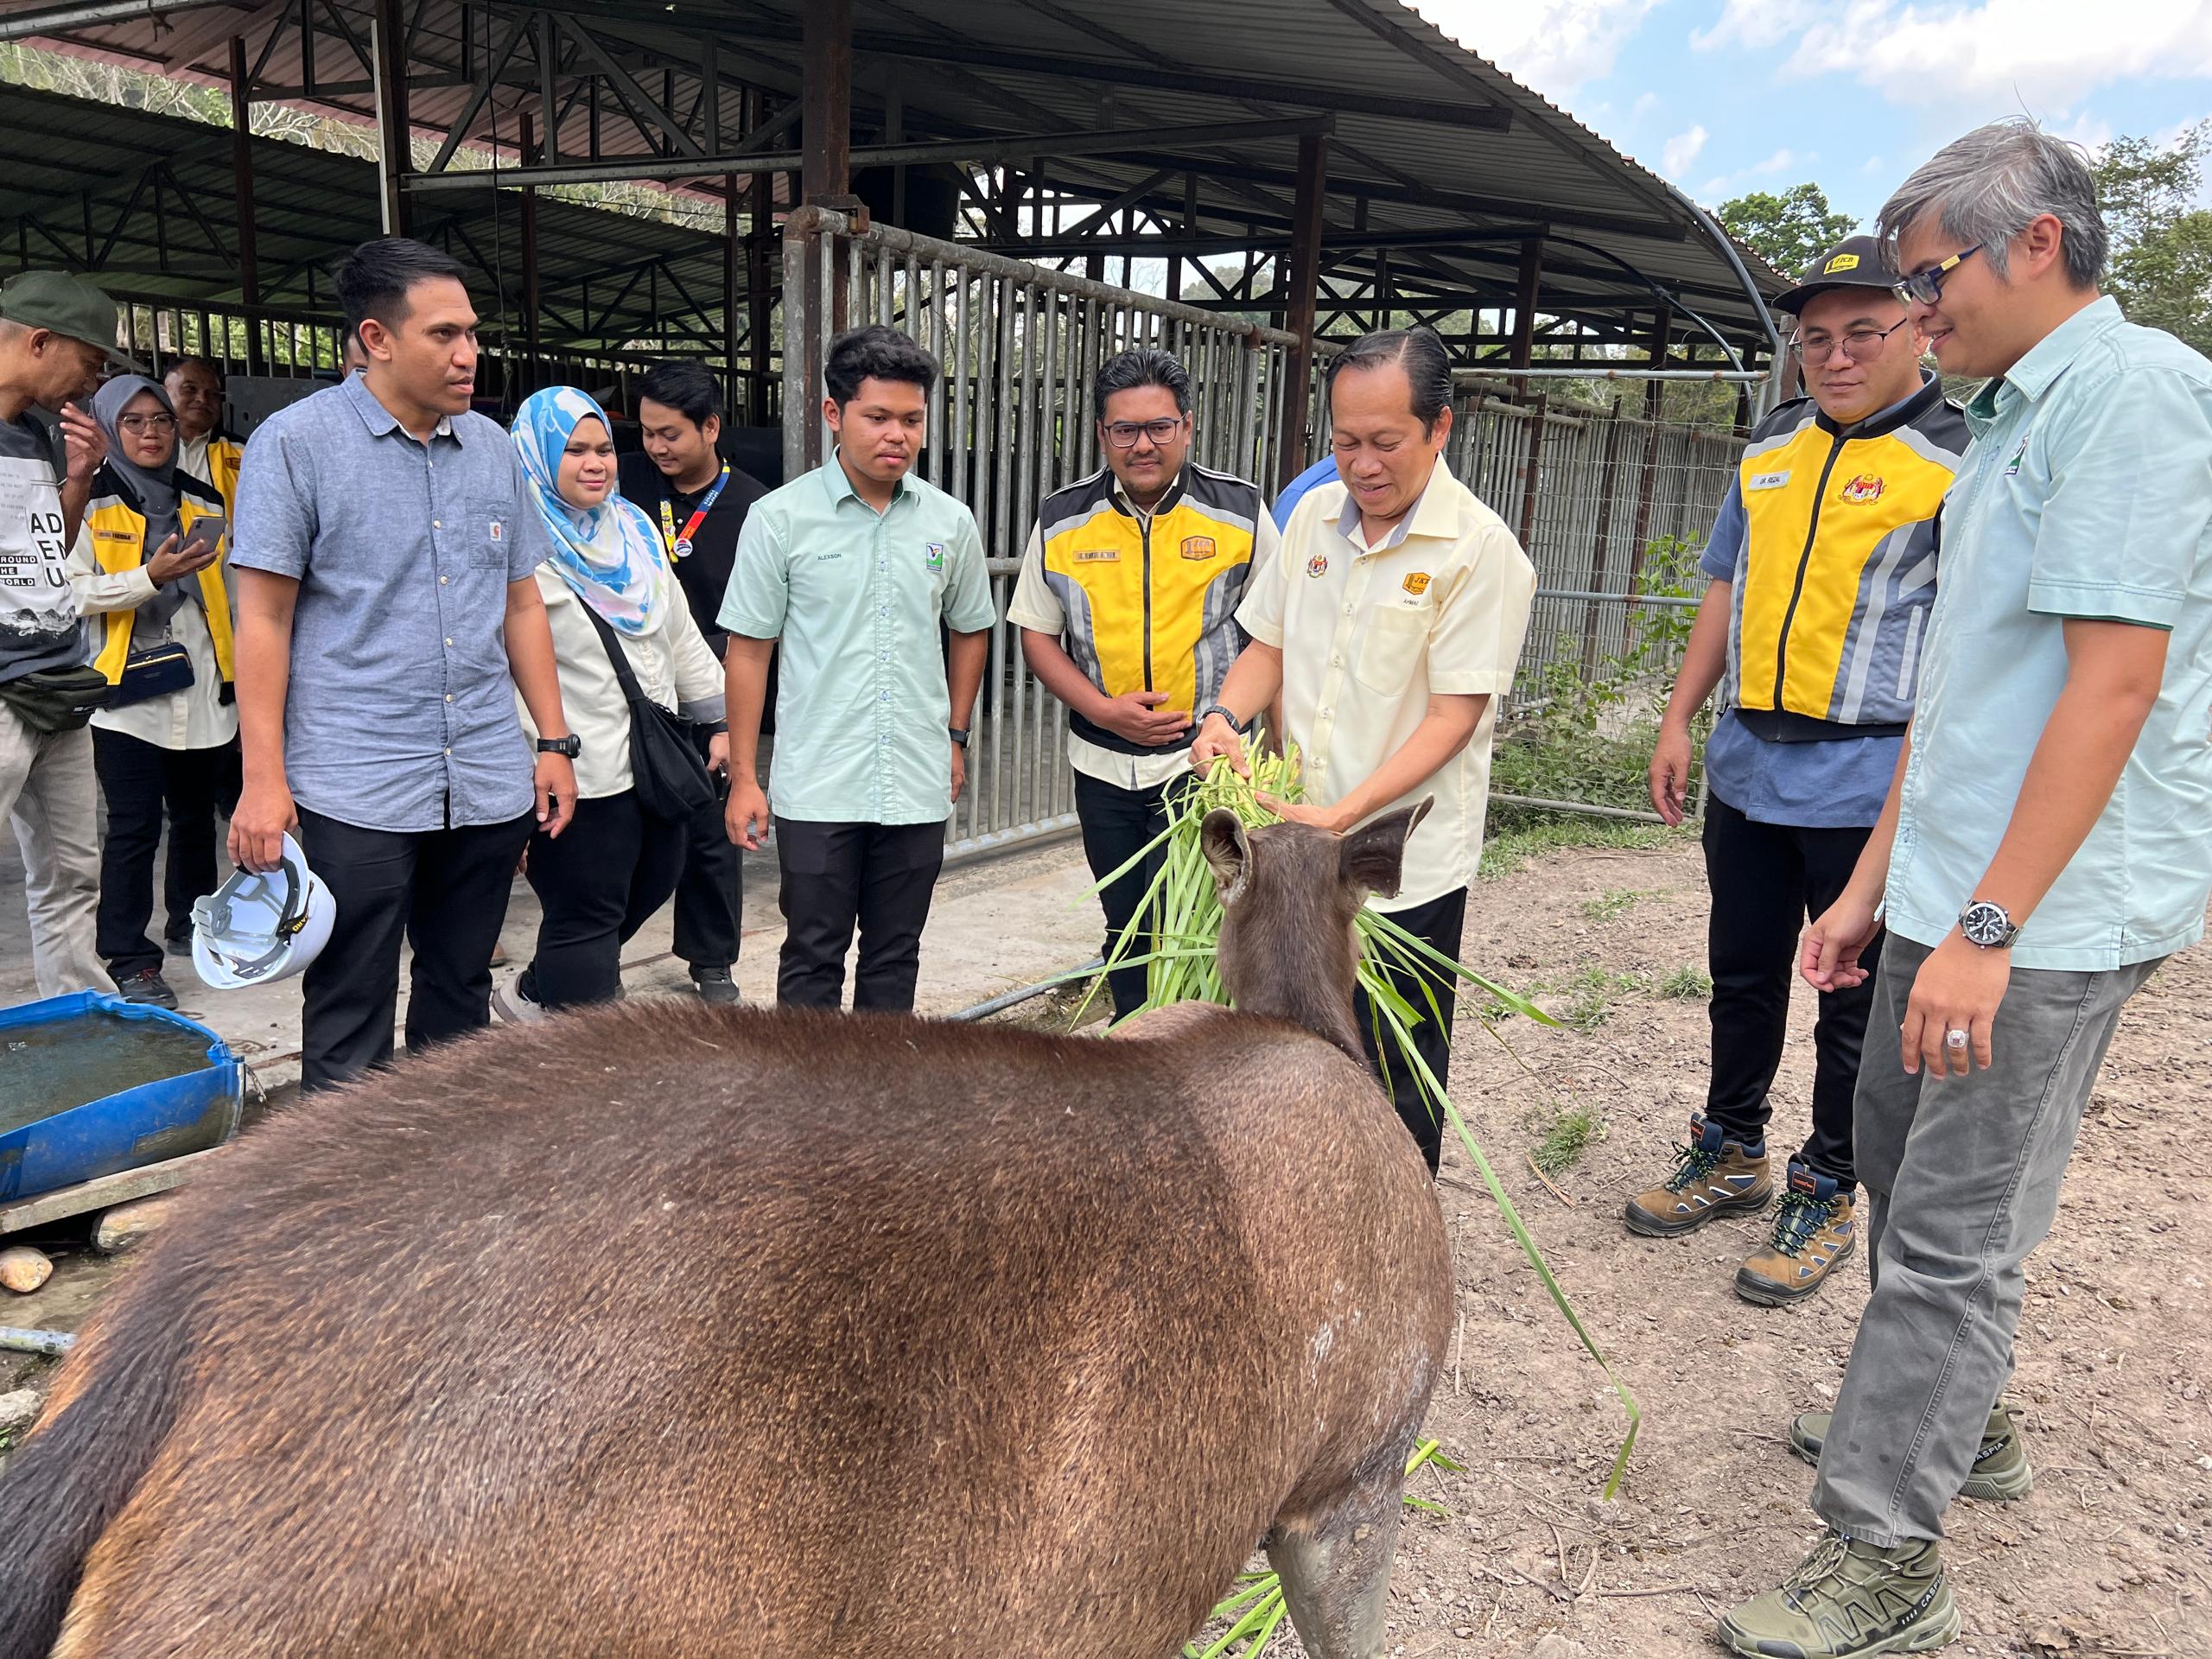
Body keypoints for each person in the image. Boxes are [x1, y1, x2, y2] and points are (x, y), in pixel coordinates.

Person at [1720, 120, 2212, 1659]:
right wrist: (1877, 883)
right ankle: (1961, 1424)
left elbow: (2112, 687)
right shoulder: (2004, 420)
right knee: (1888, 1148)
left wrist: (1991, 930)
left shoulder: (2133, 401)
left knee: (1951, 1228)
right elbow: (1963, 690)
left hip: (2047, 907)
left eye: (1930, 278)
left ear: (2038, 245)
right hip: (1952, 873)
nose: (1913, 309)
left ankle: (1886, 1563)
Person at [1628, 236, 1967, 1306]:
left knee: (1851, 1006)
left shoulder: (1962, 456)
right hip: (1748, 769)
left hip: (1869, 780)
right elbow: (1723, 588)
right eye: (1815, 337)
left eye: (1862, 331)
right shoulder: (1767, 448)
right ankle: (1731, 1146)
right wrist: (1680, 716)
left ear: (1916, 325)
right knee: (1741, 972)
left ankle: (1828, 1179)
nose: (1835, 354)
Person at [227, 237, 578, 1093]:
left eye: (472, 333)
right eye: (444, 334)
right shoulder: (296, 445)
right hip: (359, 781)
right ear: (377, 339)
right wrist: (261, 779)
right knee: (352, 998)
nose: (469, 354)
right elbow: (263, 617)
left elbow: (521, 601)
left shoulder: (493, 448)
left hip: (486, 774)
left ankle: (437, 1183)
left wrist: (553, 741)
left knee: (460, 993)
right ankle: (339, 1201)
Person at [1192, 327, 1536, 1174]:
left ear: (1439, 429)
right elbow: (1266, 646)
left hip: (1392, 858)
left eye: (1385, 442)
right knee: (1282, 1041)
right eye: (1345, 441)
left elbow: (1452, 716)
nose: (1362, 463)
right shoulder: (1309, 515)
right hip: (1288, 849)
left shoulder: (1480, 551)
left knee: (1396, 1056)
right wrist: (1225, 719)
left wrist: (1342, 821)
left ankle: (1397, 1212)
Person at [720, 324, 995, 1013]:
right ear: (834, 415)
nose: (896, 435)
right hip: (820, 780)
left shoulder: (949, 522)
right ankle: (806, 1111)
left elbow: (971, 629)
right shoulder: (779, 519)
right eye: (877, 417)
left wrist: (955, 736)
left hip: (914, 776)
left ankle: (883, 1109)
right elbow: (749, 650)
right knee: (812, 952)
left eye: (912, 419)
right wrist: (746, 777)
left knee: (896, 952)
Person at [1008, 346, 1278, 1020]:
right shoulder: (1063, 518)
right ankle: (1136, 1050)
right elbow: (1037, 634)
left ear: (1187, 426)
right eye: (1124, 429)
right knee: (1127, 929)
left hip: (1206, 763)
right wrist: (1105, 709)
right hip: (1102, 765)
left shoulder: (1241, 512)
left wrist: (1232, 724)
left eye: (1159, 426)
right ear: (1102, 435)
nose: (1143, 444)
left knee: (1210, 925)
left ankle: (1210, 1058)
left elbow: (1278, 634)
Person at [490, 386, 728, 1018]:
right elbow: (500, 666)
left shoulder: (633, 528)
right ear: (536, 455)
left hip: (653, 755)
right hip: (573, 766)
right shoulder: (516, 545)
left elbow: (677, 628)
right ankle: (587, 1059)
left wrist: (718, 720)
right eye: (574, 451)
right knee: (587, 914)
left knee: (656, 878)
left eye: (603, 449)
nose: (596, 463)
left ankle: (541, 990)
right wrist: (530, 759)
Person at [66, 374, 237, 1008]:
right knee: (134, 828)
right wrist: (146, 578)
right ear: (110, 427)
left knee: (195, 822)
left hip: (201, 687)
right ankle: (132, 957)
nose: (150, 433)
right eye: (133, 422)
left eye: (160, 421)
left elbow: (233, 592)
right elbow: (67, 591)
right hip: (126, 694)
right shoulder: (88, 500)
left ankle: (191, 923)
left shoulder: (205, 499)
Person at [618, 359, 770, 1006]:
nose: (656, 447)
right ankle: (594, 954)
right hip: (635, 689)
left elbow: (764, 622)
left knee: (713, 834)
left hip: (716, 694)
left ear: (710, 428)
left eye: (670, 434)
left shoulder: (756, 509)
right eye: (648, 432)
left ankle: (711, 961)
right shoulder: (622, 486)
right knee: (623, 834)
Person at [0, 270, 129, 998]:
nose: (94, 380)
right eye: (91, 359)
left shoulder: (34, 437)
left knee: (72, 877)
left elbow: (48, 550)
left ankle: (79, 1022)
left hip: (57, 683)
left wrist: (78, 475)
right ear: (40, 341)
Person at [163, 355, 242, 514]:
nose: (202, 399)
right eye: (190, 389)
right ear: (162, 392)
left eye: (213, 394)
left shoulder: (244, 452)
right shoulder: (144, 448)